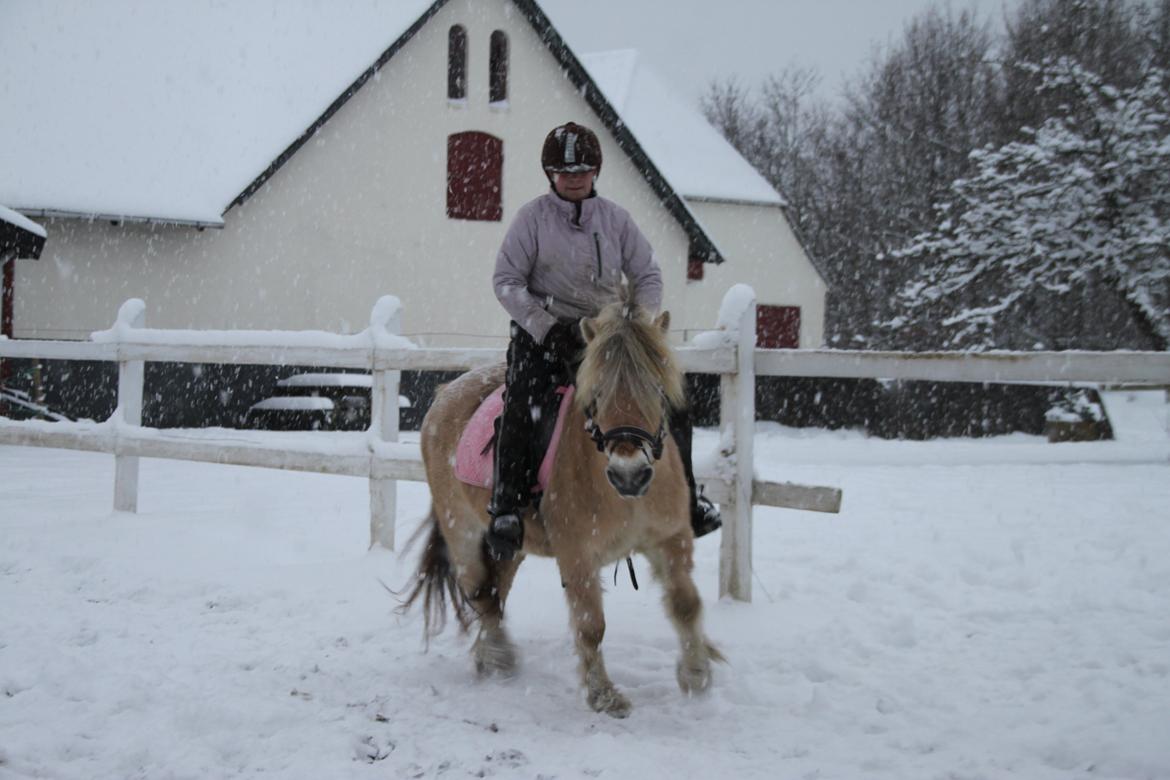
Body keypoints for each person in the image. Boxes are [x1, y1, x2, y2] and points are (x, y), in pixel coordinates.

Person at [486, 121, 721, 561]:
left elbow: (648, 274)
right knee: (522, 403)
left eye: (582, 170)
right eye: (564, 171)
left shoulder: (616, 220)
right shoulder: (531, 219)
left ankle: (690, 499)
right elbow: (506, 281)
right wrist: (545, 327)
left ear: (596, 172)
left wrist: (638, 324)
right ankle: (507, 506)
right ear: (550, 175)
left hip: (610, 339)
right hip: (544, 339)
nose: (574, 178)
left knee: (672, 404)